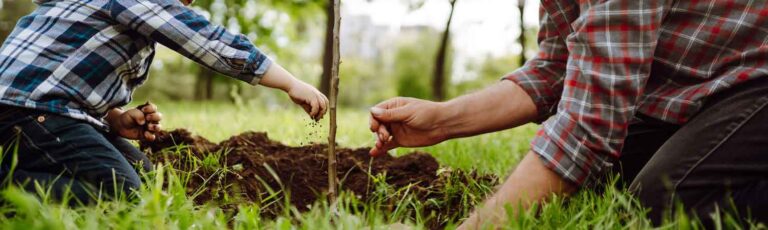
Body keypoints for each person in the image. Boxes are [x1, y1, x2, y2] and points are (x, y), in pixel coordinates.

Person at [369, 0, 768, 228]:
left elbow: (591, 122)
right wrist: (442, 119)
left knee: (665, 201)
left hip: (757, 80)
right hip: (706, 86)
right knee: (603, 184)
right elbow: (558, 64)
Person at [0, 0, 328, 204]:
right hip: (24, 111)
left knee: (144, 176)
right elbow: (207, 40)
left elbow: (64, 76)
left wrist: (114, 118)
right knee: (124, 194)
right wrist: (290, 82)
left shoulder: (113, 13)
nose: (186, 6)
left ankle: (19, 171)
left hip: (45, 112)